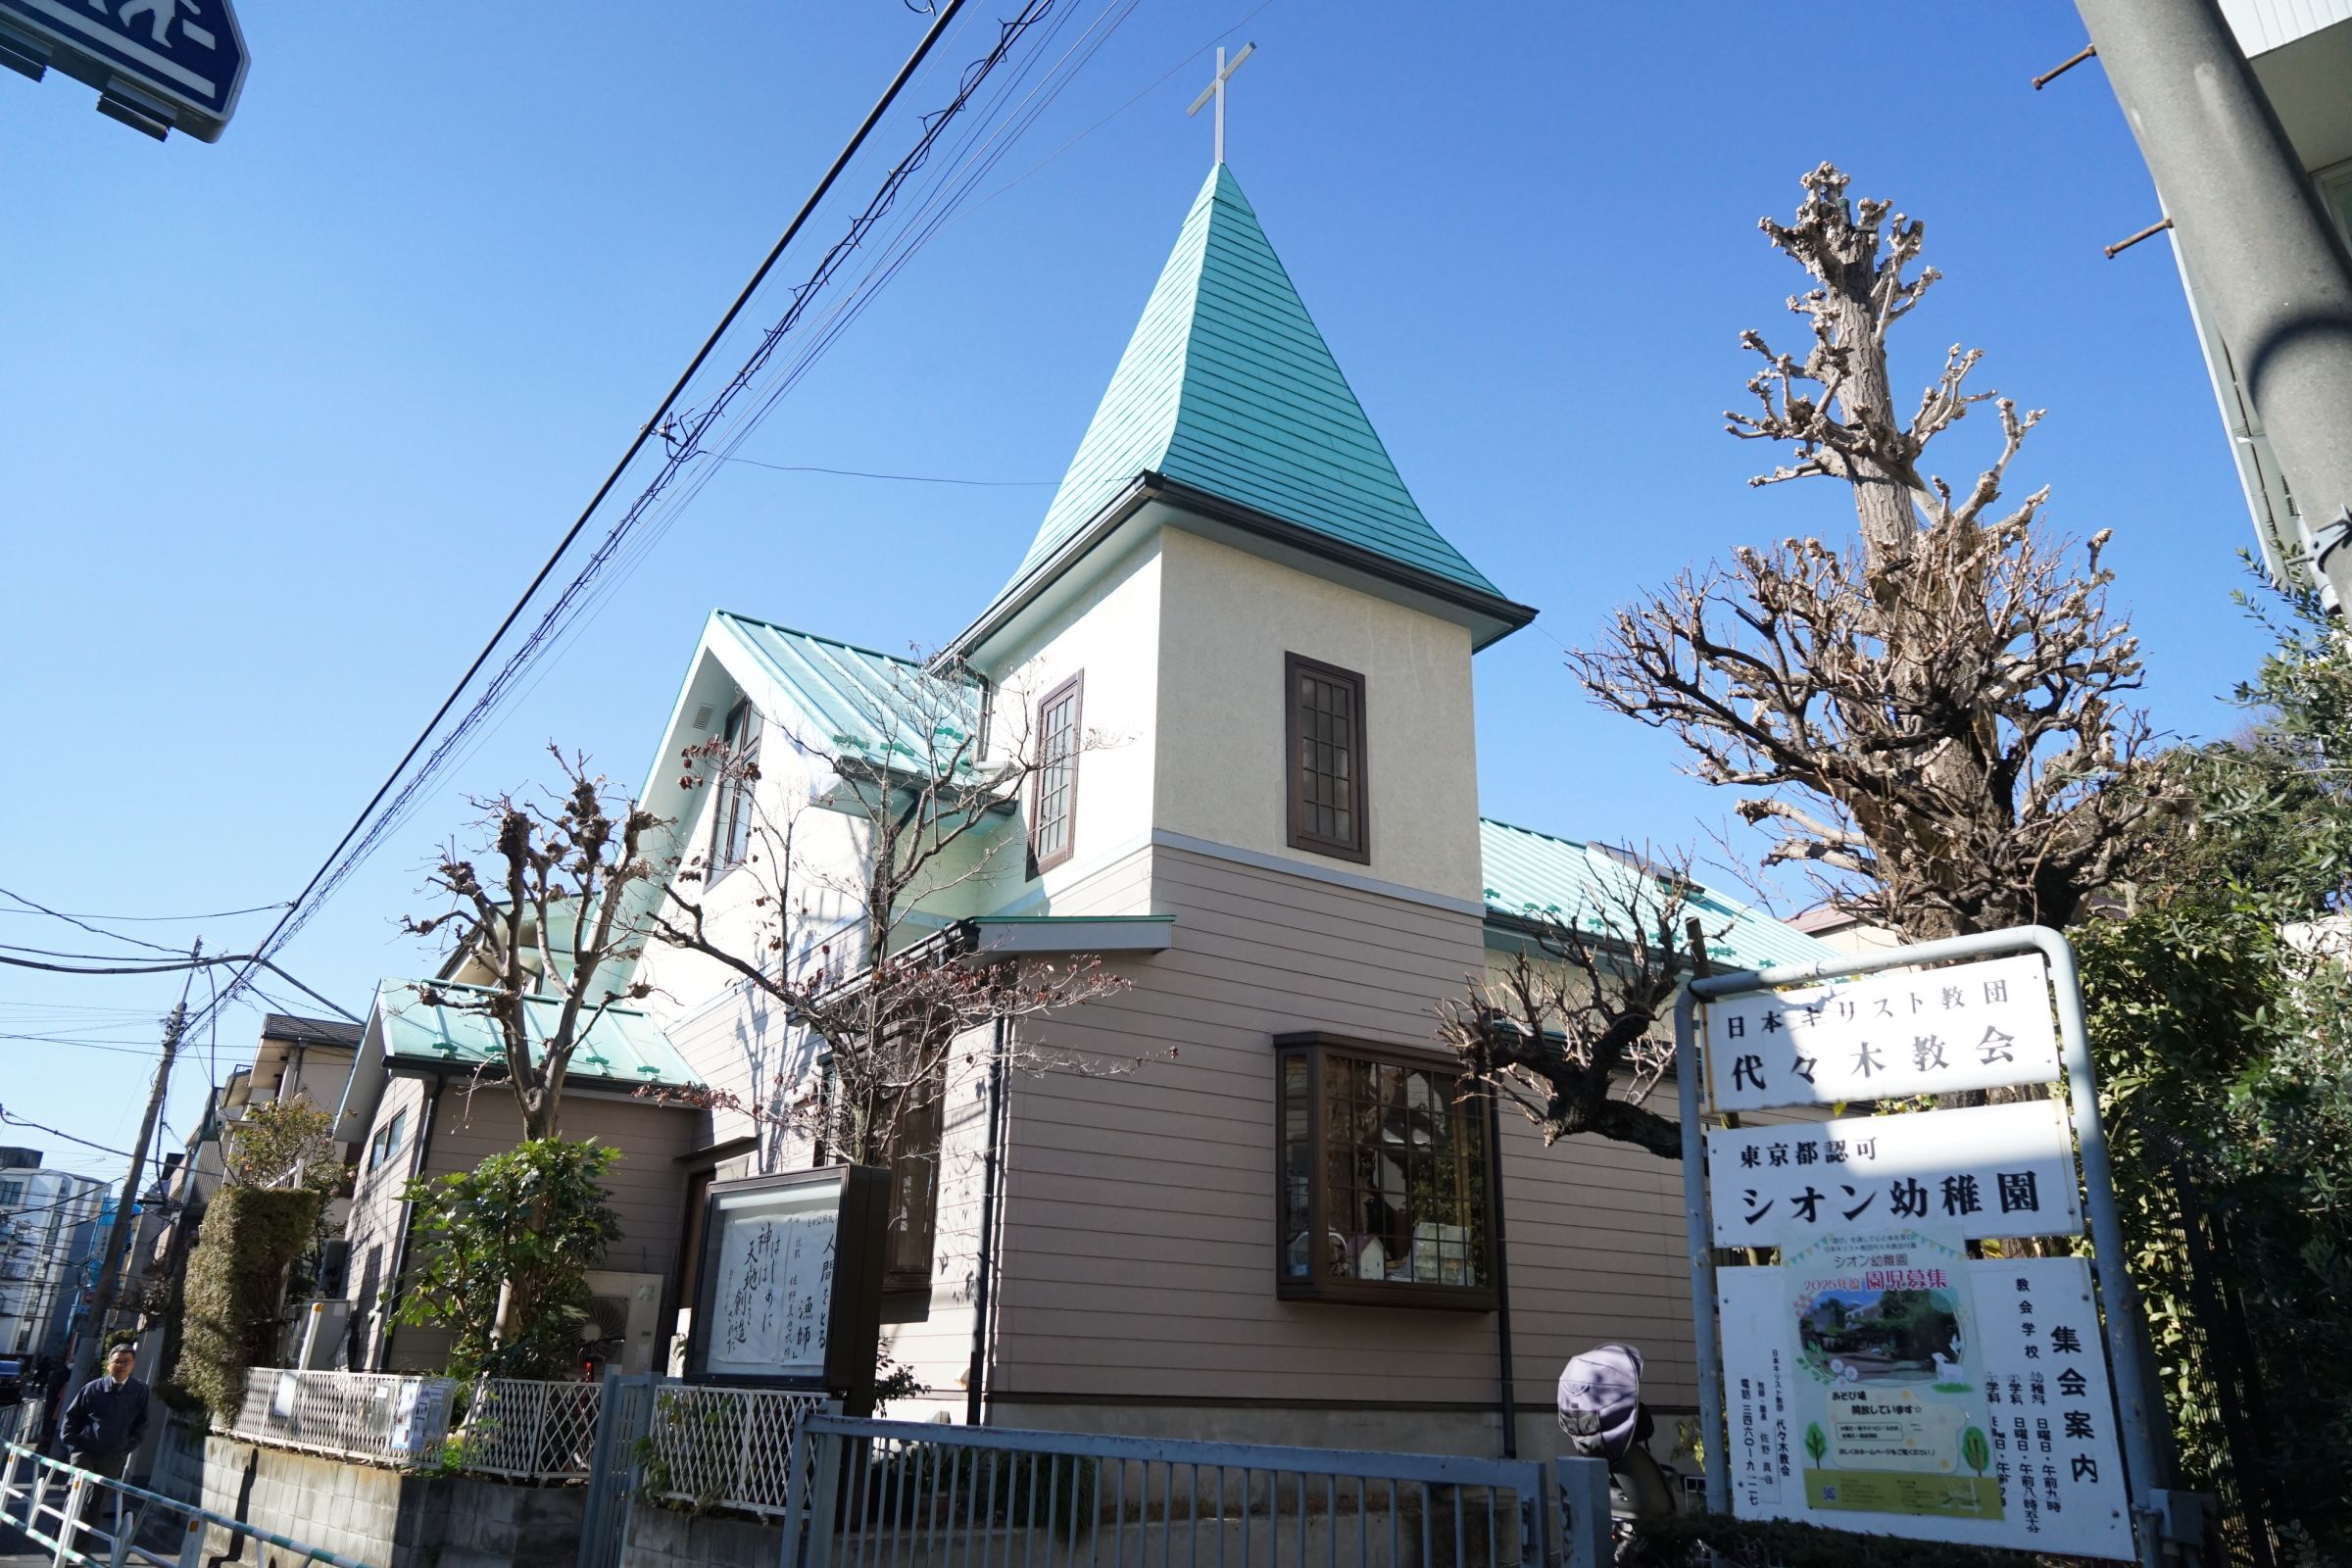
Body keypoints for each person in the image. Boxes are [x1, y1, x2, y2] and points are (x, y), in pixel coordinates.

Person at [60, 1345, 150, 1480]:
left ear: (133, 1365)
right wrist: (74, 1449)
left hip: (113, 1457)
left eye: (126, 1361)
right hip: (84, 1453)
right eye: (117, 1361)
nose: (121, 1365)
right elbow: (71, 1418)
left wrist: (125, 1450)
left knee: (99, 1497)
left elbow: (142, 1423)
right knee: (76, 1495)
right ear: (109, 1365)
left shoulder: (140, 1390)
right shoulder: (92, 1388)